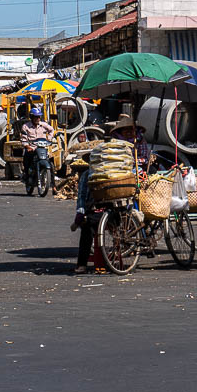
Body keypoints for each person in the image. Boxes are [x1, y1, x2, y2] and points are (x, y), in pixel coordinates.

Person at [72, 114, 137, 274]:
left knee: (87, 226)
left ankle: (82, 264)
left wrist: (80, 215)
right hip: (112, 211)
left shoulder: (93, 171)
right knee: (91, 224)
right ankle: (99, 259)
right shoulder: (121, 157)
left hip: (109, 212)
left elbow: (81, 199)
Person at [19, 106, 54, 186]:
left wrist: (49, 138)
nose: (37, 119)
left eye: (38, 117)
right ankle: (26, 176)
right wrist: (28, 147)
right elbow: (23, 138)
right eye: (35, 117)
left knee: (51, 164)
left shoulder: (43, 125)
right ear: (31, 117)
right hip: (32, 149)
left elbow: (52, 130)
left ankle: (53, 185)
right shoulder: (26, 126)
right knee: (27, 160)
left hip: (42, 148)